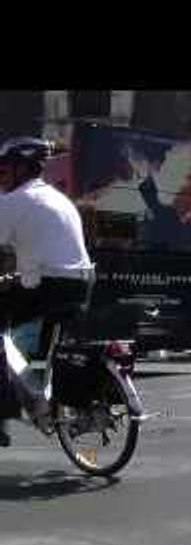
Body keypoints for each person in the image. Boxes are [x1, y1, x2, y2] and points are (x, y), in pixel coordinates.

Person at [0, 137, 95, 447]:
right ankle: (44, 396)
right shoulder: (59, 199)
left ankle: (15, 407)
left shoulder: (13, 202)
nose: (2, 179)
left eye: (5, 171)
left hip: (48, 285)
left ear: (21, 170)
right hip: (81, 283)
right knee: (44, 346)